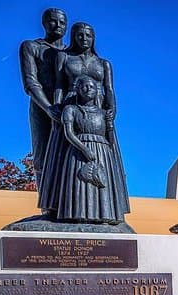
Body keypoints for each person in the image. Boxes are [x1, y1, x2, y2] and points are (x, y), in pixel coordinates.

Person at [37, 22, 129, 223]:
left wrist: (112, 110)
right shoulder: (64, 57)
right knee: (63, 157)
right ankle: (58, 207)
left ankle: (107, 208)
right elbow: (59, 85)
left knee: (104, 156)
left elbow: (109, 89)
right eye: (79, 35)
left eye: (88, 35)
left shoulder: (103, 63)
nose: (84, 39)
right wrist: (57, 108)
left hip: (97, 108)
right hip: (71, 104)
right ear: (74, 36)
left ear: (93, 38)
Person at [19, 8, 67, 188]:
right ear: (44, 23)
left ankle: (70, 205)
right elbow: (31, 83)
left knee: (70, 157)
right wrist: (48, 108)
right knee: (43, 155)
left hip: (67, 110)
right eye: (53, 21)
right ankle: (47, 206)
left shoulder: (71, 52)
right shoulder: (31, 46)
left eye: (62, 22)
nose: (58, 26)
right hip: (41, 107)